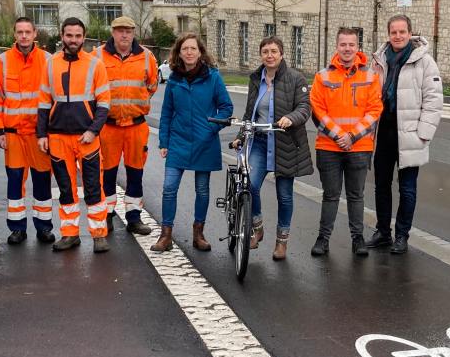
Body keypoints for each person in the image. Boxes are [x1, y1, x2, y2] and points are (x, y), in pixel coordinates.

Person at [368, 14, 443, 255]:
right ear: (388, 35)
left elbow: (434, 100)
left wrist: (424, 133)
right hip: (384, 132)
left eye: (402, 32)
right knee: (381, 185)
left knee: (407, 188)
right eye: (394, 32)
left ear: (410, 33)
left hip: (410, 133)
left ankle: (401, 235)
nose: (398, 36)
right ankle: (382, 232)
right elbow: (369, 96)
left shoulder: (424, 62)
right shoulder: (379, 61)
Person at [151, 33, 233, 253]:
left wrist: (210, 128)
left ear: (200, 52)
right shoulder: (174, 79)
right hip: (178, 141)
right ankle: (166, 235)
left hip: (205, 142)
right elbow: (167, 112)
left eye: (193, 49)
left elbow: (226, 108)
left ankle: (199, 234)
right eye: (185, 49)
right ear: (179, 52)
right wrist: (163, 141)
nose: (189, 52)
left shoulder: (213, 77)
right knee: (169, 188)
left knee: (202, 190)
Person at [36, 17, 111, 253]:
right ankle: (70, 234)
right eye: (69, 35)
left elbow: (104, 103)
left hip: (86, 137)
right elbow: (44, 102)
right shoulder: (51, 64)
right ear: (62, 36)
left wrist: (93, 130)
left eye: (78, 36)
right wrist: (41, 134)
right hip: (57, 137)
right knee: (66, 189)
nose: (74, 40)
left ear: (84, 36)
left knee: (93, 188)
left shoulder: (94, 64)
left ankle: (99, 235)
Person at [309, 27, 383, 257]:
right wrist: (339, 135)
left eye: (352, 44)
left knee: (356, 195)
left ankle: (357, 238)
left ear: (357, 47)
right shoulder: (323, 76)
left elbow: (374, 111)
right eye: (343, 44)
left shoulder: (370, 76)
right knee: (330, 195)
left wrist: (351, 136)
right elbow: (317, 110)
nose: (347, 49)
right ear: (337, 46)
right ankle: (323, 238)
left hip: (359, 147)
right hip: (329, 146)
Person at [239, 35, 312, 261]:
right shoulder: (255, 78)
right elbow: (249, 113)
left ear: (281, 54)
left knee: (284, 196)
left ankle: (281, 242)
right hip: (260, 142)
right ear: (261, 54)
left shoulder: (295, 79)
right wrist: (241, 137)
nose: (269, 55)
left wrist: (291, 118)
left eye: (273, 51)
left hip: (285, 143)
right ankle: (257, 227)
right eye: (265, 51)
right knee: (250, 184)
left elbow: (304, 107)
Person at [0, 17, 54, 246]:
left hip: (39, 135)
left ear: (35, 33)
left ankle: (44, 227)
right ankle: (17, 229)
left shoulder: (47, 61)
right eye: (20, 32)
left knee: (42, 182)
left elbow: (53, 98)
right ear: (14, 34)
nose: (24, 36)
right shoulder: (2, 62)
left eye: (28, 32)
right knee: (15, 182)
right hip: (13, 134)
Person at [99, 15, 158, 236]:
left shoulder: (146, 57)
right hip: (108, 126)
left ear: (134, 33)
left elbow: (151, 86)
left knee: (135, 173)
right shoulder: (97, 56)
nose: (124, 34)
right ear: (113, 32)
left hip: (135, 126)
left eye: (128, 31)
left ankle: (134, 218)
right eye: (120, 30)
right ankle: (106, 216)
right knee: (107, 173)